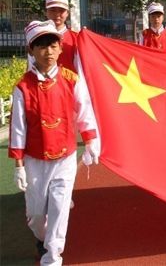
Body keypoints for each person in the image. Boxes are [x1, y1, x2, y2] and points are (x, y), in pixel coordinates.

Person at [9, 20, 100, 265]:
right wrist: (19, 165)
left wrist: (90, 140)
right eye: (41, 46)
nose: (48, 51)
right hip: (35, 160)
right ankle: (42, 238)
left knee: (59, 209)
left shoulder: (71, 79)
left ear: (60, 48)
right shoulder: (23, 87)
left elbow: (85, 111)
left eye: (52, 45)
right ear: (31, 50)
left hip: (65, 158)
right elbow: (18, 129)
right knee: (36, 214)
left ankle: (52, 256)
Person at [44, 0, 78, 72]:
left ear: (67, 13)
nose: (57, 14)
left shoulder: (76, 39)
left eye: (61, 10)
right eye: (53, 10)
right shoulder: (37, 37)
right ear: (46, 12)